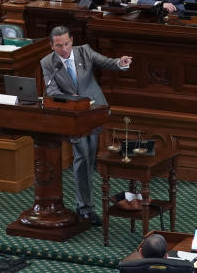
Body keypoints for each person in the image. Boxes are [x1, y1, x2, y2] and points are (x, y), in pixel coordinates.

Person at [42, 25, 131, 224]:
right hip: (74, 117)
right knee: (82, 157)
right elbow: (52, 91)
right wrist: (71, 99)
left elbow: (107, 62)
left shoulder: (85, 51)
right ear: (51, 46)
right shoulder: (48, 63)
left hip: (95, 113)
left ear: (71, 41)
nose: (64, 49)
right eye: (59, 45)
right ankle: (85, 209)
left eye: (66, 44)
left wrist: (120, 63)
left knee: (90, 159)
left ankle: (86, 204)